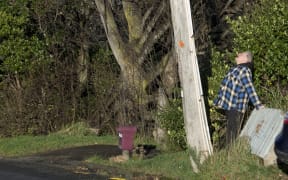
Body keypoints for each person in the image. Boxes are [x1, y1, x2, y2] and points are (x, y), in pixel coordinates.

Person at [213, 51, 264, 145]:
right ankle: (229, 155)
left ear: (246, 58)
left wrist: (259, 106)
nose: (237, 54)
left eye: (240, 54)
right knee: (230, 134)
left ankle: (231, 155)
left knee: (232, 135)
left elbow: (250, 89)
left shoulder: (245, 70)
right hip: (230, 107)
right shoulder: (237, 69)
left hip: (236, 108)